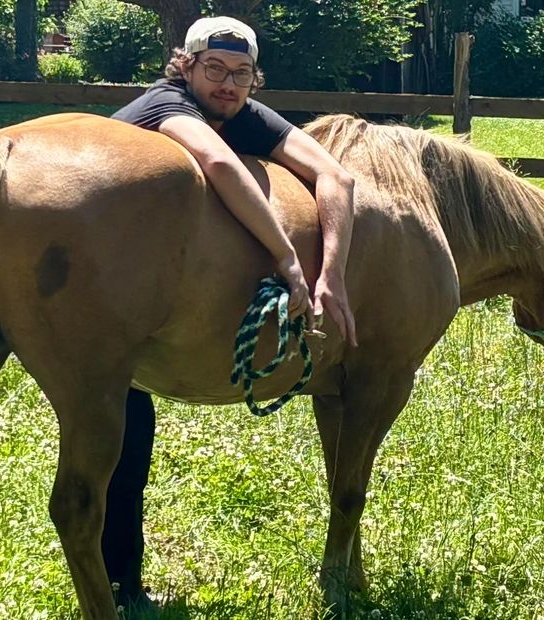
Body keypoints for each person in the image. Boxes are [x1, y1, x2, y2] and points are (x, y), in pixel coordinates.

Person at [105, 15, 358, 608]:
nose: (228, 84)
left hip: (154, 285)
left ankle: (121, 588)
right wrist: (288, 262)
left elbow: (336, 176)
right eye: (214, 69)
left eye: (241, 74)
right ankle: (117, 586)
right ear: (185, 65)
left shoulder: (238, 109)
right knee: (120, 442)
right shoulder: (166, 105)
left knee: (130, 440)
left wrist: (334, 277)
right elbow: (218, 165)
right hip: (116, 281)